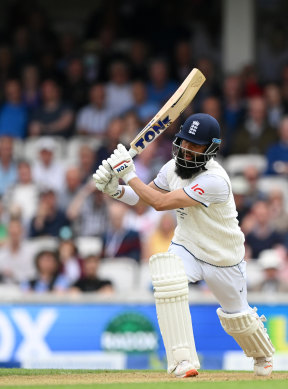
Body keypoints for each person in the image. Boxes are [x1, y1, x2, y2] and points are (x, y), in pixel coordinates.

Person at [92, 113, 274, 378]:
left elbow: (161, 203)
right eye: (184, 143)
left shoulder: (215, 181)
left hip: (222, 257)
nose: (187, 151)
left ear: (210, 149)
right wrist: (116, 190)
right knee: (167, 280)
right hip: (187, 245)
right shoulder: (171, 168)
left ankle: (263, 353)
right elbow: (146, 197)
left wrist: (129, 174)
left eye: (195, 146)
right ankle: (182, 361)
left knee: (238, 317)